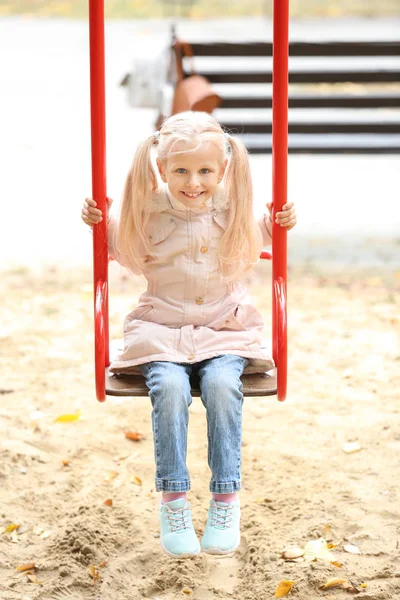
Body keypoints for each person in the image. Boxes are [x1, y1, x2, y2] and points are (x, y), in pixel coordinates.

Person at [82, 111, 296, 559]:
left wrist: (281, 221)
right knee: (171, 386)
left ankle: (224, 498)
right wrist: (99, 224)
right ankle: (174, 500)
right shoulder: (147, 213)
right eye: (180, 170)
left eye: (204, 171)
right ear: (161, 169)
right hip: (161, 328)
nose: (193, 182)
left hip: (224, 328)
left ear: (222, 170)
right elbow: (119, 249)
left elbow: (267, 236)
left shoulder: (235, 211)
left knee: (221, 385)